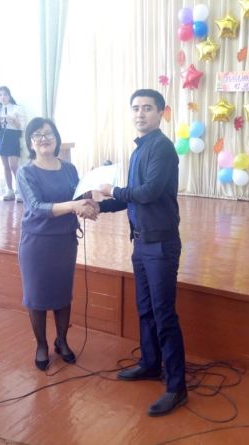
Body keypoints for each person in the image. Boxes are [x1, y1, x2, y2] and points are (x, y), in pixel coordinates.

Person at [98, 89, 187, 417]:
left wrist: (112, 189)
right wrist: (99, 206)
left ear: (161, 113)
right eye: (135, 108)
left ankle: (177, 388)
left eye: (147, 108)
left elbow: (148, 193)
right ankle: (150, 363)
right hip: (141, 243)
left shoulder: (161, 147)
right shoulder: (140, 149)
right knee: (146, 309)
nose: (140, 113)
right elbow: (132, 197)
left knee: (164, 315)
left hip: (161, 245)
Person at [17, 117, 99, 371]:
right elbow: (37, 207)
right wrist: (73, 205)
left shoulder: (69, 169)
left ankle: (61, 340)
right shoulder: (26, 172)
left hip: (65, 241)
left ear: (56, 138)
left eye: (48, 133)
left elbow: (77, 196)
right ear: (30, 142)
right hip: (37, 243)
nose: (43, 139)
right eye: (37, 135)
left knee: (63, 295)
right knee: (37, 297)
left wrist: (88, 199)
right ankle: (41, 345)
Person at [0, 86, 25, 202]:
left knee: (13, 166)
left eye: (5, 94)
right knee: (5, 166)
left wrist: (13, 119)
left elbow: (22, 126)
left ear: (9, 96)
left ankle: (20, 191)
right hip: (1, 136)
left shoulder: (16, 108)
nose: (3, 97)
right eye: (0, 95)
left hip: (12, 136)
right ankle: (9, 190)